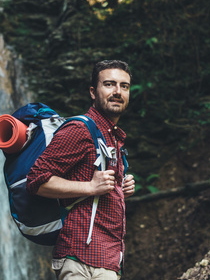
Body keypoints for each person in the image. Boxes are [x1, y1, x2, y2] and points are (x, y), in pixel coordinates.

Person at [26, 60, 135, 279]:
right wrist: (91, 187)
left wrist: (120, 188)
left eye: (124, 86)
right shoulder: (80, 129)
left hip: (108, 258)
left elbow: (100, 187)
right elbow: (36, 180)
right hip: (81, 260)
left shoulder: (113, 137)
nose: (117, 91)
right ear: (93, 92)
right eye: (109, 84)